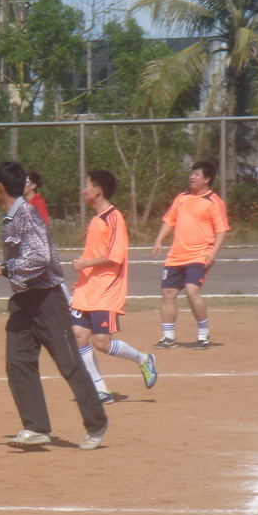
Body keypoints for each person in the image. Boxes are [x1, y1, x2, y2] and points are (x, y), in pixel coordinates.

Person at [0, 161, 108, 450]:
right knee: (17, 362)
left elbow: (40, 257)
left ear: (0, 187)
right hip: (23, 302)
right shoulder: (12, 217)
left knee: (69, 364)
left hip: (46, 300)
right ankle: (36, 427)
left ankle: (96, 423)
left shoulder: (26, 214)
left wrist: (3, 269)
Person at [69, 170, 156, 402]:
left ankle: (143, 359)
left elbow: (114, 257)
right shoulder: (96, 219)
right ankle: (100, 389)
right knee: (78, 336)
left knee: (101, 342)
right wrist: (84, 270)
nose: (83, 190)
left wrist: (85, 263)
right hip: (87, 289)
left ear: (97, 191)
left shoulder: (113, 217)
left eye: (86, 185)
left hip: (107, 290)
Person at [151, 161, 230, 350]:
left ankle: (203, 334)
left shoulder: (213, 201)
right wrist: (159, 240)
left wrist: (213, 253)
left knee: (192, 291)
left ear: (207, 179)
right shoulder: (181, 198)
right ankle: (168, 337)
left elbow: (221, 230)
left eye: (196, 174)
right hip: (176, 255)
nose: (192, 177)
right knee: (167, 293)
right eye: (191, 173)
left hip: (199, 255)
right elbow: (169, 221)